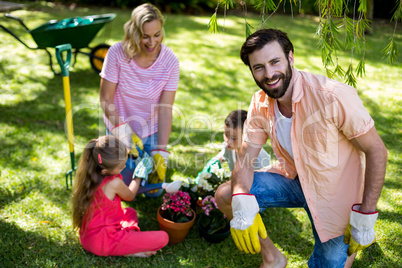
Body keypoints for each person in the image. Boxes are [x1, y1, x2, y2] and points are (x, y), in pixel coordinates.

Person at [214, 29, 387, 267]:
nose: (269, 74)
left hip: (335, 197)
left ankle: (345, 251)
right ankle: (273, 258)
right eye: (259, 67)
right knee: (228, 195)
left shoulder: (333, 96)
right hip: (294, 180)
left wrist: (366, 214)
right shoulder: (260, 102)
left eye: (275, 62)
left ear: (290, 58)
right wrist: (242, 202)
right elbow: (245, 158)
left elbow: (377, 150)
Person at [99, 3, 180, 197]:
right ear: (135, 33)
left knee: (153, 191)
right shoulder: (117, 53)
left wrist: (161, 150)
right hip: (118, 127)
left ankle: (147, 163)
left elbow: (165, 108)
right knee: (121, 188)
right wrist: (123, 131)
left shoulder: (170, 61)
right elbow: (105, 98)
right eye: (145, 36)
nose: (152, 42)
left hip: (150, 130)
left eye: (157, 34)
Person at [71, 135, 169, 257]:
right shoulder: (113, 182)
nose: (123, 167)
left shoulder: (89, 176)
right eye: (121, 166)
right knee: (163, 237)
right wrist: (139, 175)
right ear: (105, 170)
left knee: (130, 212)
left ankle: (127, 244)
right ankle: (127, 250)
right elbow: (130, 195)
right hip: (104, 241)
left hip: (88, 236)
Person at [196, 109, 271, 183]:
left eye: (234, 138)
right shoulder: (228, 147)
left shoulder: (257, 159)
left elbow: (260, 184)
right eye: (226, 135)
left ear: (247, 137)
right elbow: (217, 159)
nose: (227, 141)